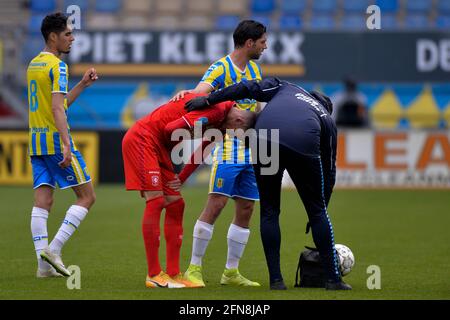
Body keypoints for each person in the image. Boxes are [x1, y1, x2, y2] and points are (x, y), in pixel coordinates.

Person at [185, 78, 352, 290]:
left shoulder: (287, 87)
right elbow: (329, 171)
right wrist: (321, 207)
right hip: (303, 139)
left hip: (263, 136)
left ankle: (276, 280)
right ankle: (333, 280)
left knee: (270, 211)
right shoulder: (326, 117)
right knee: (317, 211)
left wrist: (209, 99)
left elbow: (246, 87)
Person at [121, 93, 255, 289]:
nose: (230, 133)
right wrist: (196, 124)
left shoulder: (222, 118)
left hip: (159, 146)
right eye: (236, 131)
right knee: (156, 201)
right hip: (143, 139)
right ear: (238, 119)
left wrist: (181, 177)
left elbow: (202, 150)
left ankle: (174, 274)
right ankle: (154, 274)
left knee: (176, 204)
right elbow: (170, 128)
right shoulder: (216, 112)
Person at [171, 20, 267, 288]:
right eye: (262, 42)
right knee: (216, 204)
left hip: (253, 146)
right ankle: (194, 268)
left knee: (246, 208)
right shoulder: (220, 68)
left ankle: (231, 272)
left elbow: (259, 107)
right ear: (249, 43)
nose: (265, 46)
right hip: (228, 146)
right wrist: (186, 94)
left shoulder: (256, 70)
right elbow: (199, 94)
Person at [27, 13, 98, 278]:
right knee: (87, 196)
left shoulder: (34, 64)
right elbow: (58, 109)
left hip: (35, 142)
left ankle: (43, 267)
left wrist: (82, 85)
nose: (72, 38)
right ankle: (53, 250)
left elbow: (59, 103)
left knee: (43, 200)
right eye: (67, 34)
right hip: (56, 141)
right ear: (53, 36)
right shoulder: (58, 66)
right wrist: (67, 145)